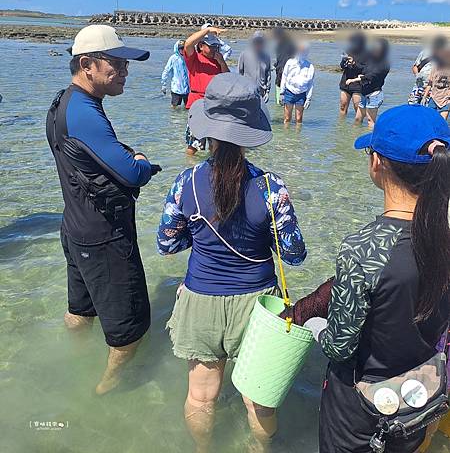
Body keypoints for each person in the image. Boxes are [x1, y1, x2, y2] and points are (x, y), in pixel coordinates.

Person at [157, 73, 307, 453]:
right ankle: (262, 450)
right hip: (258, 306)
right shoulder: (271, 187)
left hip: (201, 299)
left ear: (207, 127)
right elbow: (293, 253)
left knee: (201, 396)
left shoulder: (184, 182)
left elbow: (166, 243)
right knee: (258, 398)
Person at [302, 105, 450, 452]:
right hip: (419, 397)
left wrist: (316, 327)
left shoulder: (363, 249)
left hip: (361, 412)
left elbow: (340, 346)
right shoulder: (443, 238)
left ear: (377, 163)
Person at [46, 25, 162, 396]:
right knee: (130, 332)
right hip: (104, 240)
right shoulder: (83, 112)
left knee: (79, 313)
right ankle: (104, 392)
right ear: (87, 65)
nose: (125, 71)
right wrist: (142, 159)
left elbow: (86, 157)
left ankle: (70, 363)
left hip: (75, 229)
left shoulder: (63, 102)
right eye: (116, 64)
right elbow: (132, 174)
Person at [183, 26, 229, 155]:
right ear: (202, 46)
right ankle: (190, 168)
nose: (215, 49)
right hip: (198, 104)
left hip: (215, 106)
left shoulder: (217, 61)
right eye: (211, 46)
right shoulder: (194, 58)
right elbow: (188, 43)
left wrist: (222, 62)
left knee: (215, 144)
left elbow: (227, 79)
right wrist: (208, 30)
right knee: (193, 145)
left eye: (216, 47)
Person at [352, 38, 390, 129]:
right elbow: (362, 68)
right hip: (364, 93)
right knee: (357, 119)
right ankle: (353, 138)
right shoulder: (370, 60)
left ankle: (370, 142)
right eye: (374, 48)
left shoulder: (385, 64)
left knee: (370, 121)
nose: (375, 50)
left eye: (378, 48)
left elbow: (374, 75)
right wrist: (353, 64)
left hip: (374, 94)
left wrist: (356, 79)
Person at [280, 41, 314, 124]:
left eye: (303, 50)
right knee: (287, 118)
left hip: (301, 94)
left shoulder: (310, 66)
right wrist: (281, 93)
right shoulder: (290, 63)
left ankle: (297, 137)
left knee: (299, 120)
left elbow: (311, 84)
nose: (301, 52)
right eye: (300, 50)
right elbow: (284, 77)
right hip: (289, 92)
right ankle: (286, 136)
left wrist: (308, 99)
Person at [407, 36, 445, 105]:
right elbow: (415, 67)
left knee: (426, 108)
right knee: (411, 105)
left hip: (432, 88)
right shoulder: (425, 52)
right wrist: (417, 75)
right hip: (418, 85)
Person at [238, 31, 271, 102]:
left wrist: (267, 91)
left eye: (260, 42)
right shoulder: (244, 55)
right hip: (247, 91)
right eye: (256, 41)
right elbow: (240, 73)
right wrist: (240, 89)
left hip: (261, 92)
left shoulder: (266, 57)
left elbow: (268, 75)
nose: (258, 44)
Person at [339, 32, 366, 117]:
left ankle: (358, 129)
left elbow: (364, 69)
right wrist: (344, 61)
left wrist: (354, 63)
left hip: (358, 85)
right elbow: (342, 67)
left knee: (357, 108)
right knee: (342, 106)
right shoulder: (349, 51)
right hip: (345, 83)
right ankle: (341, 127)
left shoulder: (366, 54)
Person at [423, 42, 450, 120]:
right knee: (430, 120)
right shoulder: (435, 68)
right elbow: (430, 83)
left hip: (446, 99)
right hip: (433, 98)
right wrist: (424, 96)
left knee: (442, 122)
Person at [161, 39, 190, 108]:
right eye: (181, 48)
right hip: (176, 89)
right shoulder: (173, 58)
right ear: (177, 48)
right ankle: (174, 118)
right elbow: (166, 71)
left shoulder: (188, 57)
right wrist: (163, 85)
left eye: (184, 48)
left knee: (188, 107)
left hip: (187, 89)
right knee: (174, 107)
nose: (183, 50)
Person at [273, 27, 296, 105]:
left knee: (280, 100)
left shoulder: (282, 45)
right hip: (284, 72)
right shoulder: (289, 44)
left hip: (284, 73)